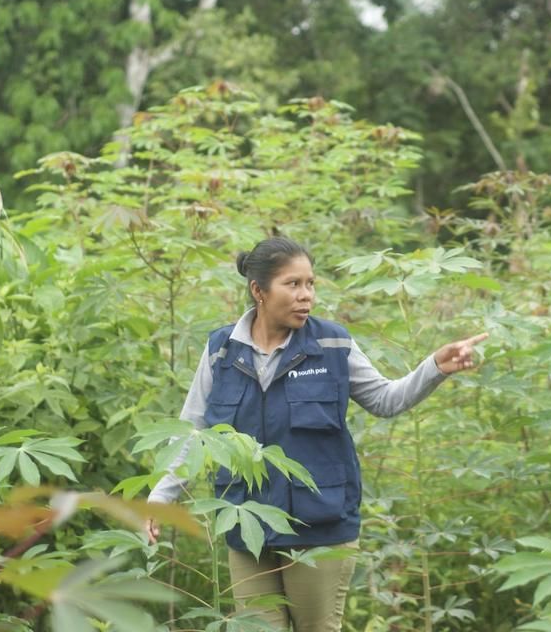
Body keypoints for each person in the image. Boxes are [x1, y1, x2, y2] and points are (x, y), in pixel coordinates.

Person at [145, 236, 487, 631]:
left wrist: (435, 367)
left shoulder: (332, 343)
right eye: (292, 284)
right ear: (258, 290)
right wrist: (160, 498)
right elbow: (194, 431)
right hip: (246, 523)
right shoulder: (222, 350)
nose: (306, 295)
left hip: (319, 527)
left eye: (310, 284)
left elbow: (385, 400)